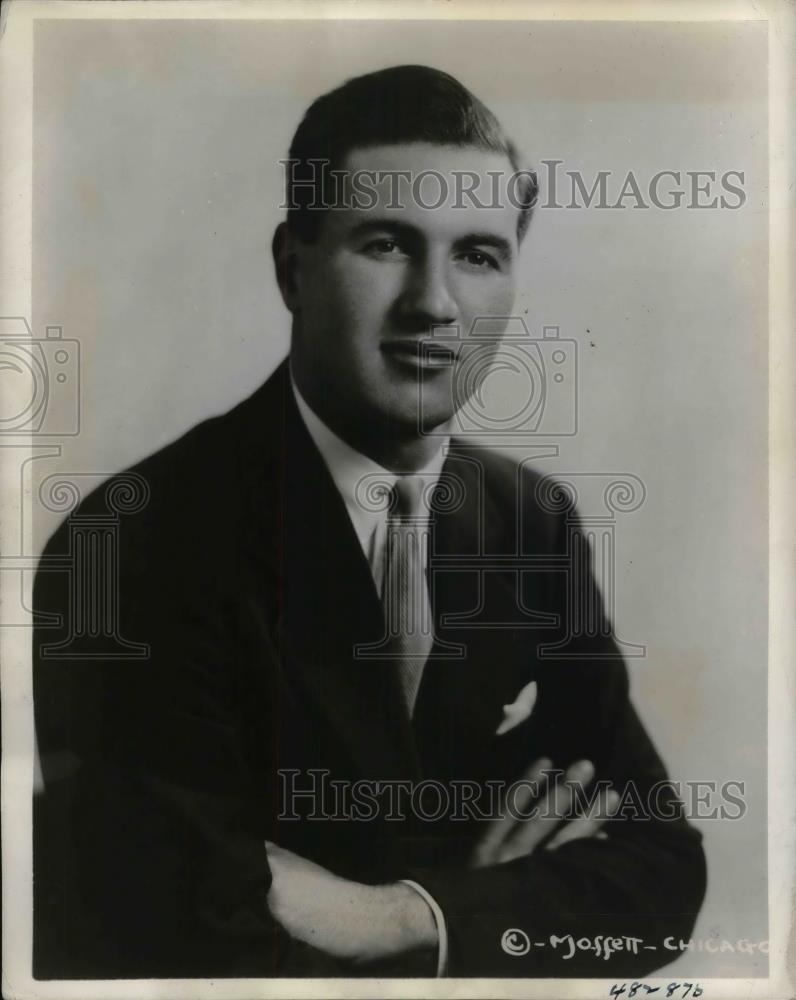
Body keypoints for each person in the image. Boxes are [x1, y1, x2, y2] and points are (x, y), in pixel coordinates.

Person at [32, 65, 706, 980]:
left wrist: (402, 915)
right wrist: (491, 909)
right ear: (291, 268)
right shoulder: (134, 542)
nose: (434, 303)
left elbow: (661, 877)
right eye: (387, 243)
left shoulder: (532, 523)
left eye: (477, 253)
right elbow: (176, 934)